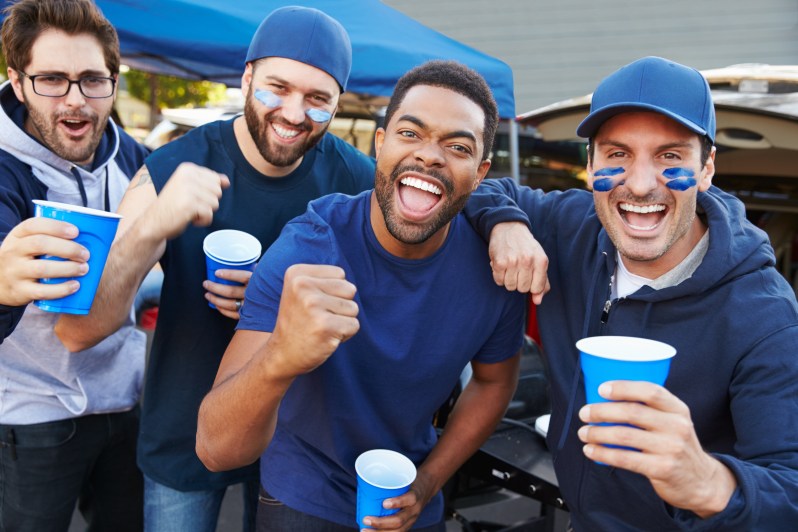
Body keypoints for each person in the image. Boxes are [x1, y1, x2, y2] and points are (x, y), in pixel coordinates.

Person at [56, 6, 377, 531]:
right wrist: (154, 224)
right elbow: (80, 329)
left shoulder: (356, 178)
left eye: (318, 99)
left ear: (337, 104)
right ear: (246, 77)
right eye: (278, 87)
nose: (294, 113)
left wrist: (503, 220)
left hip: (298, 436)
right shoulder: (170, 168)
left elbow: (414, 251)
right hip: (183, 425)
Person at [465, 56, 798, 530]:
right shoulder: (571, 227)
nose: (640, 185)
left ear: (706, 169)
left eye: (670, 156)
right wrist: (505, 224)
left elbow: (789, 492)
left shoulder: (765, 317)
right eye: (617, 154)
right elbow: (477, 187)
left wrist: (710, 482)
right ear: (590, 165)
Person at [195, 59, 526, 532]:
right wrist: (282, 355)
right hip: (301, 495)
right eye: (410, 134)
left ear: (480, 174)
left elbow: (495, 382)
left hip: (410, 502)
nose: (429, 156)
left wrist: (429, 480)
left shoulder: (496, 266)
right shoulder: (309, 245)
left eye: (457, 146)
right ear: (380, 144)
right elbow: (215, 450)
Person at [0, 0, 149, 529]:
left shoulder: (134, 156)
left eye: (92, 80)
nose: (76, 101)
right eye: (52, 80)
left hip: (125, 405)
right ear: (17, 83)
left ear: (113, 79)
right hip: (33, 417)